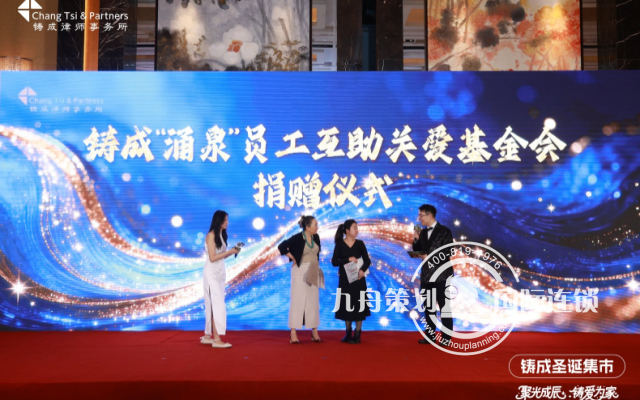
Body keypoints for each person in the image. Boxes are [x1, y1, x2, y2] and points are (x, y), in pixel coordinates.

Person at [278, 215, 324, 344]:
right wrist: (293, 258)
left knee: (313, 301)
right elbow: (282, 246)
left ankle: (314, 330)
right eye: (315, 225)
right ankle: (293, 332)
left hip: (313, 269)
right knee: (298, 301)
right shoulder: (298, 237)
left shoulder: (316, 237)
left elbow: (317, 253)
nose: (317, 227)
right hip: (300, 270)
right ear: (307, 227)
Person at [412, 204, 454, 346]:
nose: (419, 218)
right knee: (429, 307)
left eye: (421, 215)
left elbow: (449, 251)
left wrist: (429, 257)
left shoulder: (445, 231)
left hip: (442, 275)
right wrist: (416, 239)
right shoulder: (423, 232)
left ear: (430, 215)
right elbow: (417, 250)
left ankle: (446, 338)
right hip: (427, 275)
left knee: (444, 306)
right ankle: (430, 336)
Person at [201, 210, 240, 348]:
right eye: (225, 220)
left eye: (227, 220)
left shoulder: (221, 235)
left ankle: (207, 336)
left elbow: (220, 256)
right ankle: (216, 339)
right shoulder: (211, 235)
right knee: (216, 304)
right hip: (211, 273)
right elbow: (212, 258)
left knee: (214, 304)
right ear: (218, 221)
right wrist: (229, 251)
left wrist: (232, 251)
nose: (227, 223)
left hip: (219, 273)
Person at [331, 219, 371, 344]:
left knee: (359, 306)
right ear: (347, 230)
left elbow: (367, 261)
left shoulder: (360, 243)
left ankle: (357, 334)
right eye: (354, 227)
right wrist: (348, 259)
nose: (357, 230)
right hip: (345, 280)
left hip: (358, 279)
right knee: (346, 305)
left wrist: (362, 270)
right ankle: (348, 333)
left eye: (357, 227)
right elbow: (334, 262)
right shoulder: (339, 244)